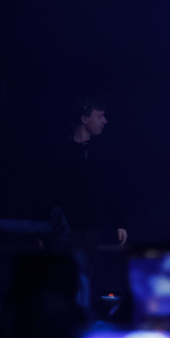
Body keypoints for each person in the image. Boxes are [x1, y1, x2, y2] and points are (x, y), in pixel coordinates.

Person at [45, 95, 125, 249]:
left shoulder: (101, 151)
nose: (105, 121)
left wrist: (119, 223)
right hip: (65, 228)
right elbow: (49, 189)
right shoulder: (60, 150)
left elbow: (111, 187)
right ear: (84, 118)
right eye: (100, 116)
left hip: (92, 227)